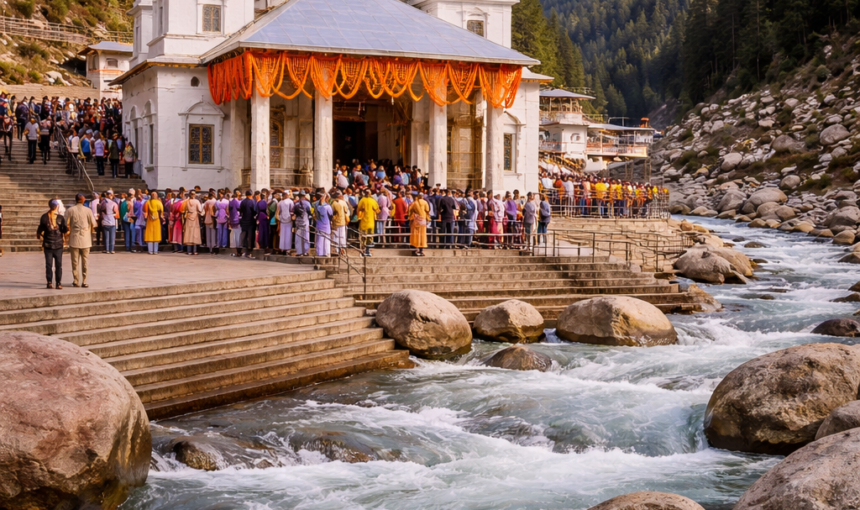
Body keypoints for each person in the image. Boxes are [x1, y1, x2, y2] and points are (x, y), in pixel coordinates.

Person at [36, 200, 68, 289]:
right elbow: (64, 230)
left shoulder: (44, 217)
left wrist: (39, 235)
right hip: (56, 245)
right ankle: (58, 283)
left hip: (49, 244)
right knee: (58, 265)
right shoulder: (60, 218)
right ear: (57, 207)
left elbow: (40, 230)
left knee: (49, 265)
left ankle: (50, 282)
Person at [65, 193, 95, 288]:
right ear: (82, 200)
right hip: (86, 239)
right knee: (85, 261)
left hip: (74, 238)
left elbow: (66, 224)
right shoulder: (88, 211)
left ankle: (76, 280)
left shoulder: (70, 210)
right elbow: (94, 224)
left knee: (75, 261)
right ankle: (84, 280)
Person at [356, 189, 379, 257]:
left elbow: (359, 208)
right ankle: (368, 251)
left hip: (363, 222)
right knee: (370, 237)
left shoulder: (362, 200)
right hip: (371, 223)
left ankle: (363, 251)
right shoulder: (373, 201)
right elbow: (377, 210)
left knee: (363, 238)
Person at [407, 192, 430, 257]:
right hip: (422, 220)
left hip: (416, 220)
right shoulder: (425, 202)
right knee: (422, 235)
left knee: (415, 235)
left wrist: (411, 216)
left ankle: (414, 250)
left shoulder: (414, 203)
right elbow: (427, 210)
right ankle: (421, 250)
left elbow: (409, 211)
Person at [182, 190, 203, 255]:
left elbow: (183, 210)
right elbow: (200, 210)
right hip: (195, 217)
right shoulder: (197, 201)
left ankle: (189, 251)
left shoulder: (186, 201)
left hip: (188, 217)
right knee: (195, 233)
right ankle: (195, 250)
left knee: (188, 233)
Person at [238, 190, 258, 258]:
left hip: (244, 220)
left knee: (244, 235)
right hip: (250, 221)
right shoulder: (252, 202)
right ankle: (249, 250)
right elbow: (254, 211)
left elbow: (240, 211)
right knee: (250, 236)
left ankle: (242, 248)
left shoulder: (243, 201)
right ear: (251, 194)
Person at [144, 190, 164, 254]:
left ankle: (150, 251)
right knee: (156, 234)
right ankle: (155, 251)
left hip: (150, 219)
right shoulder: (159, 202)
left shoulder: (147, 202)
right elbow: (161, 211)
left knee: (150, 234)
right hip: (156, 219)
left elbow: (144, 210)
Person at [314, 192, 333, 257]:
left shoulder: (316, 205)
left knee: (319, 240)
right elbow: (331, 215)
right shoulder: (327, 207)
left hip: (319, 225)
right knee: (326, 240)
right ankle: (326, 253)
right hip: (326, 225)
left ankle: (319, 253)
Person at [293, 191, 312, 257]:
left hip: (298, 222)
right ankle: (305, 252)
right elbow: (310, 212)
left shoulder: (296, 203)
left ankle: (299, 252)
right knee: (306, 237)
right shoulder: (307, 203)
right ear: (304, 196)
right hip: (305, 222)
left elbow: (294, 212)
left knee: (298, 237)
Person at [331, 191, 349, 256]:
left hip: (336, 222)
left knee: (336, 236)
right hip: (342, 221)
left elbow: (332, 212)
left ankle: (337, 249)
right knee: (342, 236)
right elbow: (346, 210)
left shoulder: (333, 203)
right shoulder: (343, 202)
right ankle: (342, 249)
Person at [277, 190, 294, 254]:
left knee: (282, 235)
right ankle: (287, 249)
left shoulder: (280, 202)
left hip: (282, 220)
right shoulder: (290, 202)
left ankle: (282, 248)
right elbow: (292, 210)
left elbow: (279, 211)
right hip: (288, 219)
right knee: (288, 235)